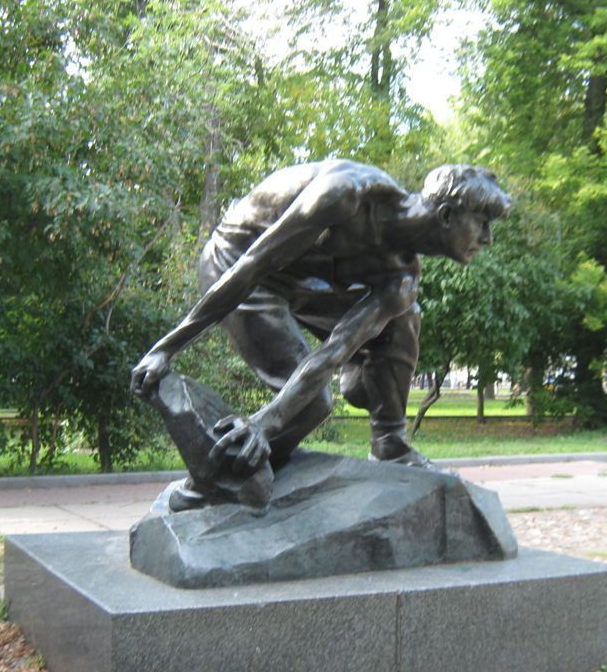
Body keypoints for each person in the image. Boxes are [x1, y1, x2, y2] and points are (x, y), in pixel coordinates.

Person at [130, 160, 510, 481]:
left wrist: (269, 420)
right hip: (238, 263)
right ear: (446, 215)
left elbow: (335, 349)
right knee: (310, 405)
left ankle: (390, 443)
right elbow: (252, 266)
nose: (488, 238)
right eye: (482, 223)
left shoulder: (401, 279)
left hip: (305, 282)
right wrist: (165, 349)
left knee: (405, 315)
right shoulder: (347, 194)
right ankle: (222, 477)